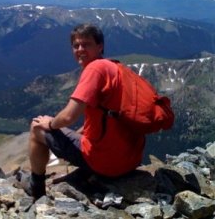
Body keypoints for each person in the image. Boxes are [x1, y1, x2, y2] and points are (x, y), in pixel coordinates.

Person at [27, 23, 145, 199]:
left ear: (100, 46)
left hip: (108, 165)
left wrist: (50, 124)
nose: (80, 49)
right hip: (132, 160)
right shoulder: (117, 69)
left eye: (86, 44)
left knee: (37, 127)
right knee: (81, 136)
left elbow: (68, 116)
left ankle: (36, 188)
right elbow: (102, 121)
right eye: (76, 46)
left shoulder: (95, 69)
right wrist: (72, 136)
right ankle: (84, 174)